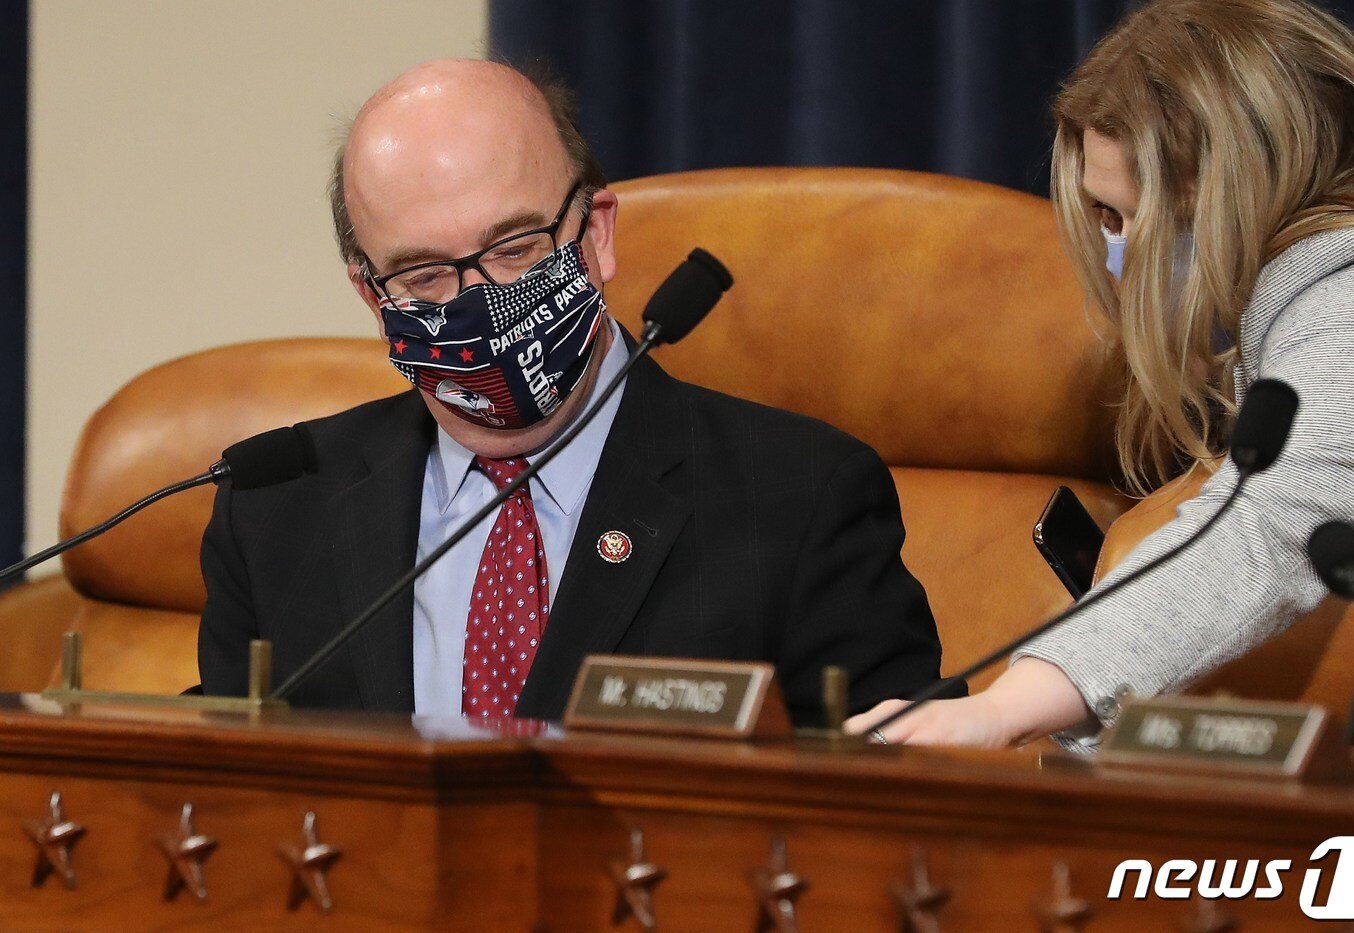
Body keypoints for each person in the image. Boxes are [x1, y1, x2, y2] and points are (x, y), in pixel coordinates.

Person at [197, 59, 948, 726]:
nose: (481, 300)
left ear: (597, 233)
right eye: (425, 275)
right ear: (372, 296)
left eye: (516, 247)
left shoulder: (802, 497)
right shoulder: (273, 510)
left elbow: (901, 806)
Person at [849, 0, 1354, 747]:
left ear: (1237, 190)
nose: (1121, 252)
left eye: (1133, 216)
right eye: (1105, 218)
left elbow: (1268, 526)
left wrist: (1001, 709)